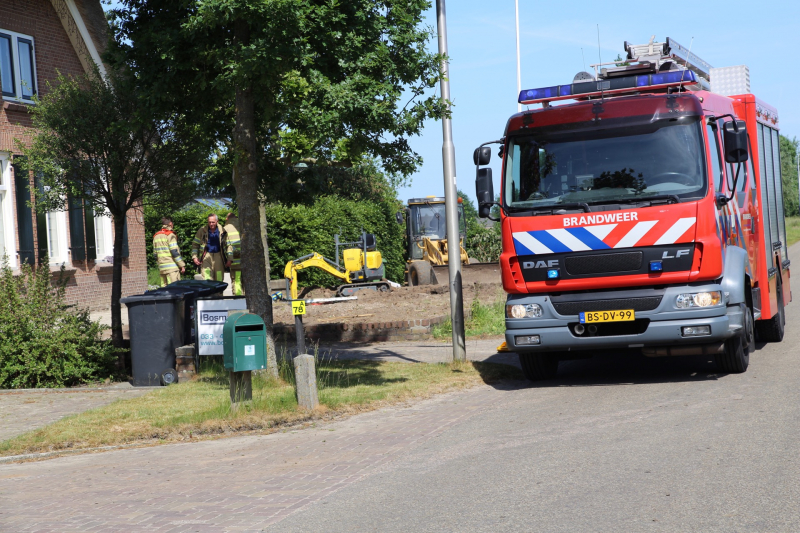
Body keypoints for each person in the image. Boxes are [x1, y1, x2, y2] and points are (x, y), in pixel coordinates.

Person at [192, 213, 228, 282]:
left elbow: (228, 245)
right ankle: (209, 289)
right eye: (209, 222)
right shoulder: (202, 230)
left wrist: (229, 259)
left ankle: (218, 289)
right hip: (206, 255)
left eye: (213, 222)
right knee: (207, 278)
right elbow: (195, 244)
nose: (211, 224)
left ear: (217, 221)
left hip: (219, 256)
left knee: (219, 278)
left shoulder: (223, 230)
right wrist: (194, 257)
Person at [152, 217, 185, 286]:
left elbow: (155, 254)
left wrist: (160, 264)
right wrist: (181, 265)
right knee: (174, 289)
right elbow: (174, 252)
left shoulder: (156, 236)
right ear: (170, 223)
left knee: (164, 290)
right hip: (172, 270)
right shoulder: (170, 235)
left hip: (162, 269)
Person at [223, 212, 243, 295]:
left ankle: (239, 298)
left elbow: (228, 245)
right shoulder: (243, 224)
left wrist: (229, 259)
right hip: (247, 262)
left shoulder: (226, 228)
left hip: (235, 262)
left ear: (227, 219)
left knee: (237, 280)